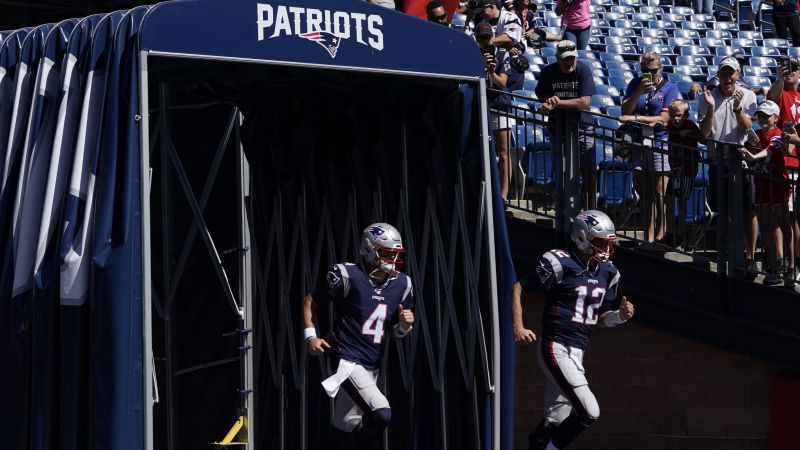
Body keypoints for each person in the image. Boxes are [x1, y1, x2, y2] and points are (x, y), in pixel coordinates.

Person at [511, 210, 635, 450]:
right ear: (581, 237)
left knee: (555, 419)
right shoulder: (560, 262)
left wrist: (620, 316)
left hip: (578, 352)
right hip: (555, 346)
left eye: (608, 243)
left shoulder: (609, 273)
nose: (606, 249)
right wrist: (519, 325)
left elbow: (602, 318)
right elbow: (519, 288)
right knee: (589, 412)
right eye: (599, 242)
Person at [303, 223, 415, 450]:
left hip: (371, 364)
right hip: (346, 359)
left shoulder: (402, 284)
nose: (392, 259)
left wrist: (403, 327)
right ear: (369, 250)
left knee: (343, 426)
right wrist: (310, 337)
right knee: (382, 413)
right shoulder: (348, 275)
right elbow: (310, 301)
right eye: (386, 253)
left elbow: (394, 333)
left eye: (395, 254)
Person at [698, 57, 759, 272]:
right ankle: (725, 252)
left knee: (747, 210)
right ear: (718, 75)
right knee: (722, 210)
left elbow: (748, 128)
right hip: (718, 161)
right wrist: (711, 109)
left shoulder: (748, 96)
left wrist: (737, 109)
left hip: (741, 162)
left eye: (731, 73)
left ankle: (750, 256)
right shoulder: (708, 97)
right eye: (724, 73)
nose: (727, 77)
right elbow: (704, 133)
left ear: (738, 75)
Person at [619, 52, 680, 244]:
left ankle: (661, 236)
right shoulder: (635, 84)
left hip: (660, 142)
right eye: (645, 70)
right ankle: (648, 237)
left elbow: (663, 119)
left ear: (660, 69)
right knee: (644, 192)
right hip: (638, 142)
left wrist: (635, 118)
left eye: (653, 70)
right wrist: (639, 91)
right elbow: (624, 111)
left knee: (660, 191)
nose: (649, 74)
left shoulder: (670, 88)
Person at [534, 40, 597, 209]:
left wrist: (557, 102)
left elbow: (584, 102)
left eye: (572, 58)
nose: (569, 62)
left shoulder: (583, 70)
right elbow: (540, 94)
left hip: (583, 127)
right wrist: (547, 101)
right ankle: (565, 207)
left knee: (588, 170)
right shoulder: (548, 72)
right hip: (558, 127)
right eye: (565, 59)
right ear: (557, 58)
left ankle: (590, 210)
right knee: (562, 169)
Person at [738, 101, 796, 286]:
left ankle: (790, 265)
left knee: (784, 223)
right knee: (766, 223)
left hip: (778, 184)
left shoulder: (778, 133)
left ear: (776, 118)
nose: (762, 119)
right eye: (760, 115)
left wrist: (754, 155)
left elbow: (770, 150)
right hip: (761, 184)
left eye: (767, 116)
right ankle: (773, 264)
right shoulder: (755, 136)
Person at [475, 21, 517, 203]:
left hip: (499, 105)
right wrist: (481, 64)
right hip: (480, 105)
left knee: (504, 152)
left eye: (488, 37)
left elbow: (502, 83)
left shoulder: (502, 53)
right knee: (480, 150)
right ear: (477, 39)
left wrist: (491, 71)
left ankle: (503, 195)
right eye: (482, 38)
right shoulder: (472, 53)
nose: (486, 41)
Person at [767, 56, 800, 270]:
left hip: (796, 161)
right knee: (784, 215)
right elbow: (772, 98)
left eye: (794, 68)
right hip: (784, 160)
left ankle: (794, 262)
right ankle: (788, 262)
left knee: (795, 217)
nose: (790, 71)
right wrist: (779, 78)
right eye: (786, 68)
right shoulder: (781, 93)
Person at [663, 99, 702, 249]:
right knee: (670, 198)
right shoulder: (671, 126)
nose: (676, 118)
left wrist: (689, 132)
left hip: (687, 170)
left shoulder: (691, 126)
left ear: (686, 114)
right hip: (674, 168)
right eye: (673, 115)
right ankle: (670, 232)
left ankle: (679, 234)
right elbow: (667, 129)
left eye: (679, 115)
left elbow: (701, 136)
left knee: (681, 201)